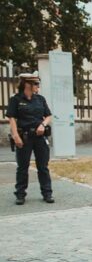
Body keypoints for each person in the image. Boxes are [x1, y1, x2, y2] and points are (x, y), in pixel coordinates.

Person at [6, 71, 54, 205]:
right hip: (24, 137)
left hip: (39, 137)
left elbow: (49, 116)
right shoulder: (15, 100)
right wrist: (15, 136)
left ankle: (47, 193)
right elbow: (12, 119)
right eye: (36, 84)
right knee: (22, 167)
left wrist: (43, 125)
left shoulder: (40, 99)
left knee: (43, 167)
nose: (38, 86)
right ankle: (20, 195)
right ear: (27, 84)